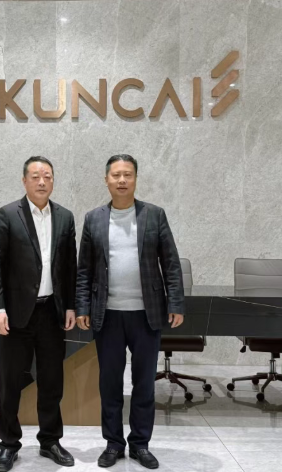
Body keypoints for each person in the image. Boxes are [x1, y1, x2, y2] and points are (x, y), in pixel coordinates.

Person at [76, 154, 185, 469]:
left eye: (128, 174)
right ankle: (113, 443)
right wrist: (82, 306)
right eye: (116, 175)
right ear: (106, 180)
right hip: (107, 314)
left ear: (136, 179)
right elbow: (84, 270)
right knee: (109, 384)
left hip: (146, 315)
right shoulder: (93, 219)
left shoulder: (154, 215)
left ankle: (140, 444)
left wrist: (175, 303)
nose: (122, 180)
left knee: (144, 383)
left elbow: (171, 263)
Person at [0, 156, 77, 472]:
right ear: (24, 180)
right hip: (15, 315)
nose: (41, 181)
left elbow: (69, 266)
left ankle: (50, 441)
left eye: (47, 176)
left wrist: (70, 305)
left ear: (53, 181)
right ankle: (9, 444)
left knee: (52, 381)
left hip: (52, 312)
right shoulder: (8, 215)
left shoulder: (65, 217)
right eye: (35, 176)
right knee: (10, 383)